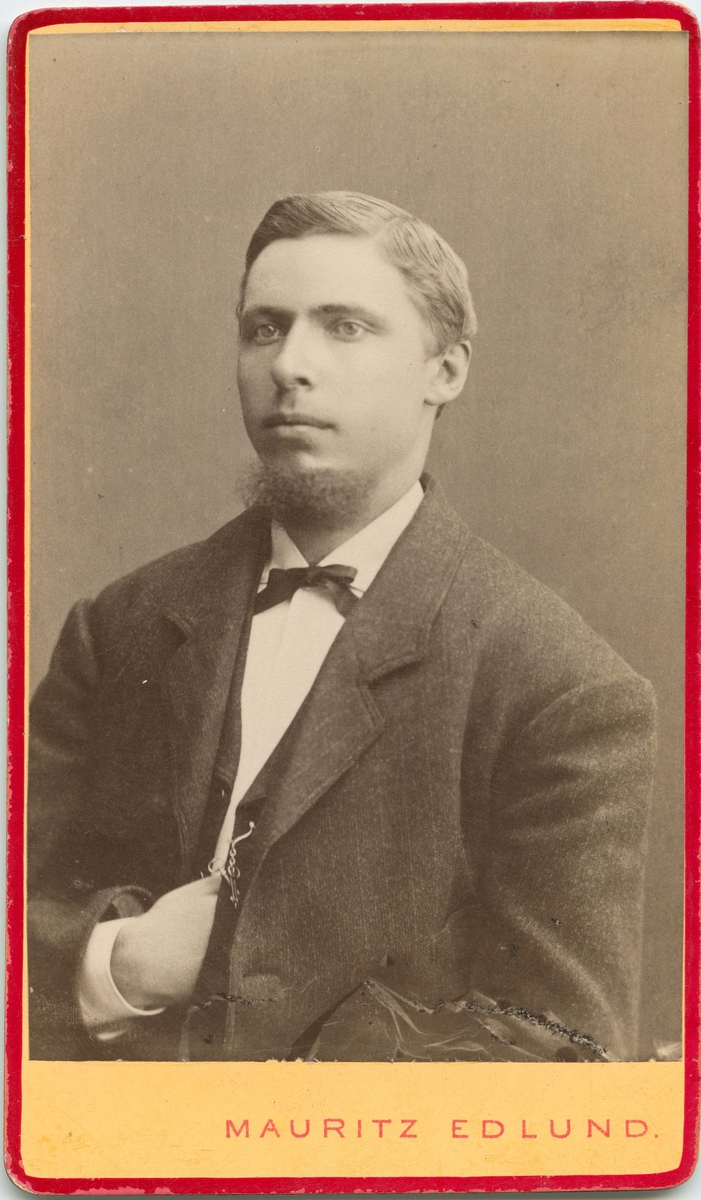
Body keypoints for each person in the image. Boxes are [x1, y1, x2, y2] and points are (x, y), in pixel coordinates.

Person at [27, 192, 656, 1064]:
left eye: (345, 328)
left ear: (445, 371)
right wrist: (117, 966)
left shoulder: (559, 688)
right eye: (264, 329)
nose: (290, 365)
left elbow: (563, 1055)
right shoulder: (119, 628)